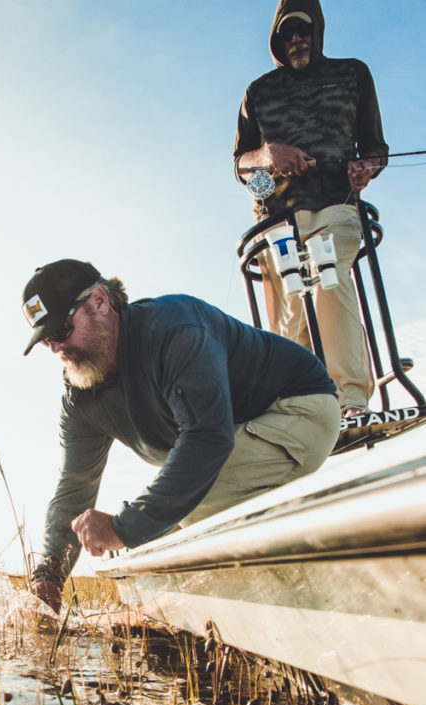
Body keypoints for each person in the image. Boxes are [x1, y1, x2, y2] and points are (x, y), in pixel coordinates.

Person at [21, 258, 340, 613]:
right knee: (149, 542)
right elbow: (73, 491)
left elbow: (207, 439)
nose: (57, 349)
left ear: (99, 301)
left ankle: (316, 602)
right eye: (47, 340)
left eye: (63, 330)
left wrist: (123, 529)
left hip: (298, 409)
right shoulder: (80, 396)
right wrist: (48, 575)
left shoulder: (174, 328)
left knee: (181, 508)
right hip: (225, 444)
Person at [233, 0, 388, 417]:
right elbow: (240, 165)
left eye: (302, 31)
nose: (296, 39)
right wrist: (267, 155)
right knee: (292, 313)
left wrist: (365, 167)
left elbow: (375, 146)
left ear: (316, 31)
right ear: (277, 40)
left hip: (336, 205)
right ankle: (305, 412)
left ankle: (351, 399)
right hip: (277, 218)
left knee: (328, 278)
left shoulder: (352, 73)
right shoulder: (258, 92)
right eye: (287, 34)